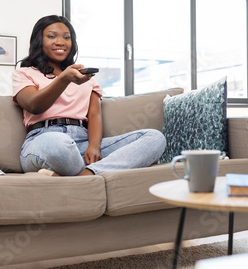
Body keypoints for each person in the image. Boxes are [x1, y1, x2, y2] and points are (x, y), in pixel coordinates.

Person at [12, 15, 166, 176]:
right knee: (59, 144)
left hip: (82, 142)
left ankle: (86, 175)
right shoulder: (24, 73)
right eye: (51, 36)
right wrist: (64, 78)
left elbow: (94, 115)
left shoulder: (86, 78)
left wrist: (93, 147)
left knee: (154, 138)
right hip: (44, 140)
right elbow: (34, 105)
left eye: (66, 37)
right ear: (39, 40)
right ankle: (85, 175)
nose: (60, 42)